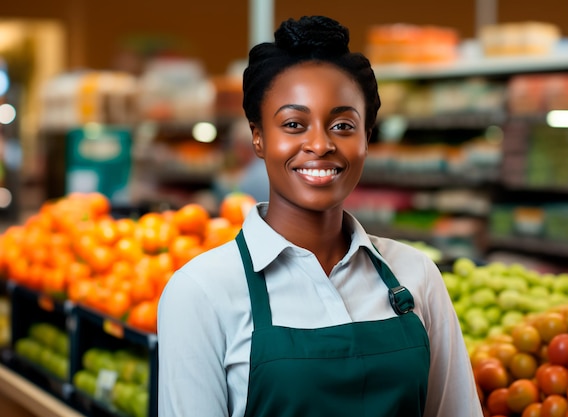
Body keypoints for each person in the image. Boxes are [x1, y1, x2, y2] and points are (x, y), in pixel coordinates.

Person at [158, 15, 482, 417]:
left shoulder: (417, 276)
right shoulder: (201, 293)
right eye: (294, 124)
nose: (320, 144)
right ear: (258, 137)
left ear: (366, 137)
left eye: (343, 125)